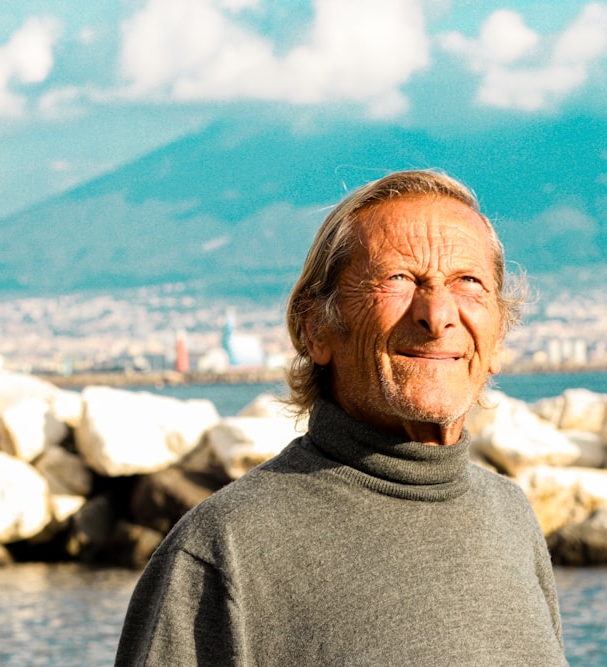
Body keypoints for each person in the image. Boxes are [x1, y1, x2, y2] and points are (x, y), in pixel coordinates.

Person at [115, 170, 568, 665]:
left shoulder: (511, 515)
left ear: (498, 335)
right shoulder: (225, 549)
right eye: (398, 279)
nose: (437, 315)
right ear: (316, 329)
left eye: (469, 283)